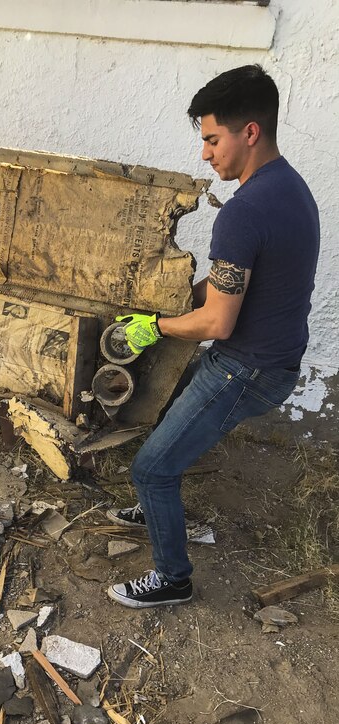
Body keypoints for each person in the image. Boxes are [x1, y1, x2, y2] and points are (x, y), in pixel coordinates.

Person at [107, 64, 320, 608]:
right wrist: (180, 296)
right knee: (170, 413)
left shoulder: (243, 211)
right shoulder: (291, 188)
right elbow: (234, 282)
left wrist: (153, 327)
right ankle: (158, 508)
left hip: (245, 367)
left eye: (212, 139)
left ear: (250, 132)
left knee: (150, 467)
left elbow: (217, 323)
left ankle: (173, 580)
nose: (205, 154)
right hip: (271, 357)